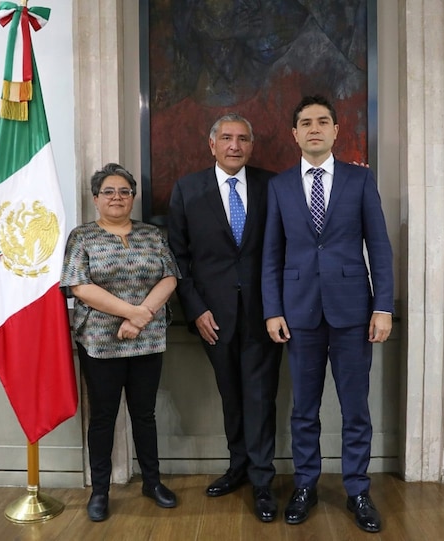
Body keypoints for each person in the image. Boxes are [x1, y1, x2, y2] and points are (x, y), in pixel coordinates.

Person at [261, 95, 393, 533]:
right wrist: (272, 310)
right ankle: (305, 485)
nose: (314, 128)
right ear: (294, 133)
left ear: (337, 131)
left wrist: (383, 306)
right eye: (305, 122)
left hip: (354, 311)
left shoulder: (360, 181)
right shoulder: (279, 187)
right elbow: (271, 255)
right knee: (304, 409)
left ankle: (357, 490)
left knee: (356, 409)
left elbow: (379, 247)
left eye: (322, 122)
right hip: (298, 313)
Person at [167, 114, 284, 522]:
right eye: (227, 138)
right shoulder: (187, 189)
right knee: (231, 397)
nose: (235, 145)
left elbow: (286, 250)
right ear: (212, 144)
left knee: (260, 398)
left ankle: (263, 481)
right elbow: (177, 258)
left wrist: (278, 308)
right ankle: (238, 468)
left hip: (265, 316)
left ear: (252, 146)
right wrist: (195, 308)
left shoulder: (274, 186)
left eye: (243, 139)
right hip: (212, 317)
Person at [61, 163, 179, 522]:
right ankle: (100, 490)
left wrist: (141, 316)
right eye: (109, 192)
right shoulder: (82, 236)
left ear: (132, 197)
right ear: (96, 199)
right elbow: (79, 287)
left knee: (144, 414)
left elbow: (170, 276)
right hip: (99, 342)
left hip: (148, 339)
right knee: (103, 417)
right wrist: (133, 313)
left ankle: (152, 482)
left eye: (124, 191)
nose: (117, 197)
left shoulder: (152, 234)